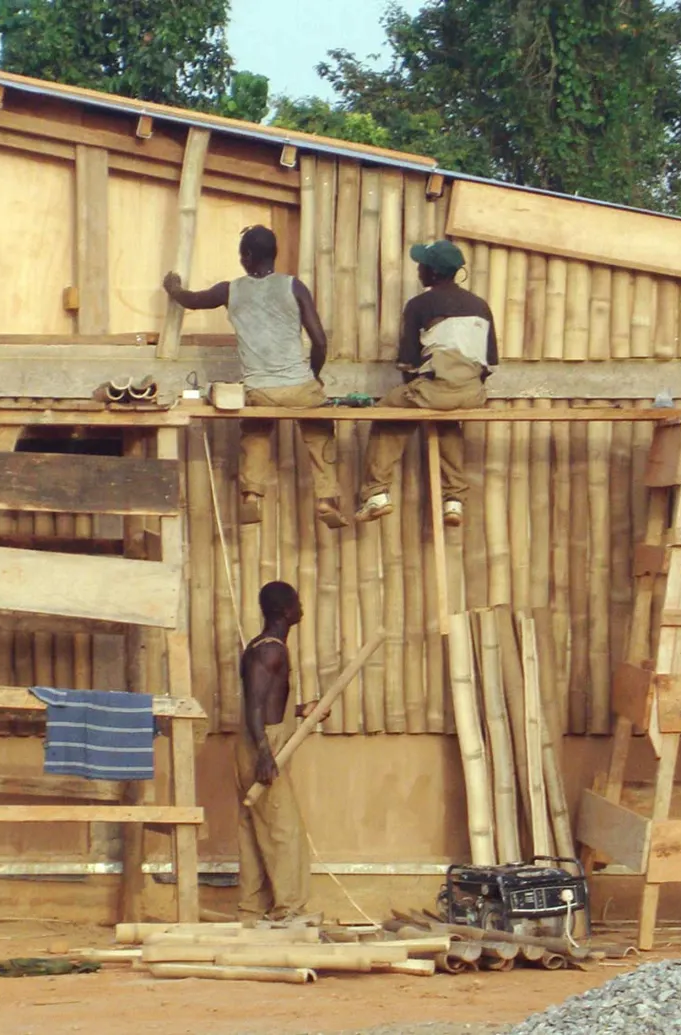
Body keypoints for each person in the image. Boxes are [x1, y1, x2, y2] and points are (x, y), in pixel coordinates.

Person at [163, 225, 348, 529]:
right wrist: (311, 377)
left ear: (247, 256)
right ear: (273, 256)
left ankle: (252, 496)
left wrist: (172, 288)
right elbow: (320, 341)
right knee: (319, 431)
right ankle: (326, 498)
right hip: (301, 387)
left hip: (259, 389)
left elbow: (192, 300)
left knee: (256, 432)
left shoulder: (230, 290)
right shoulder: (294, 287)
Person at [355, 240, 498, 527]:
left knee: (388, 415)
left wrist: (422, 388)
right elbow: (489, 364)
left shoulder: (419, 305)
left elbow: (408, 364)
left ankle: (377, 492)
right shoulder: (481, 306)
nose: (418, 269)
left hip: (434, 391)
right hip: (472, 393)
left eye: (421, 265)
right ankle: (454, 500)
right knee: (447, 423)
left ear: (431, 273)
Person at [234, 581, 327, 924]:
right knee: (284, 832)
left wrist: (301, 710)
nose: (301, 607)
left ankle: (251, 910)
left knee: (256, 830)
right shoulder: (270, 651)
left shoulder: (264, 648)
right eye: (297, 601)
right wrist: (264, 753)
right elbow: (255, 706)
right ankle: (288, 910)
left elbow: (270, 703)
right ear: (285, 610)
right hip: (262, 744)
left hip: (261, 741)